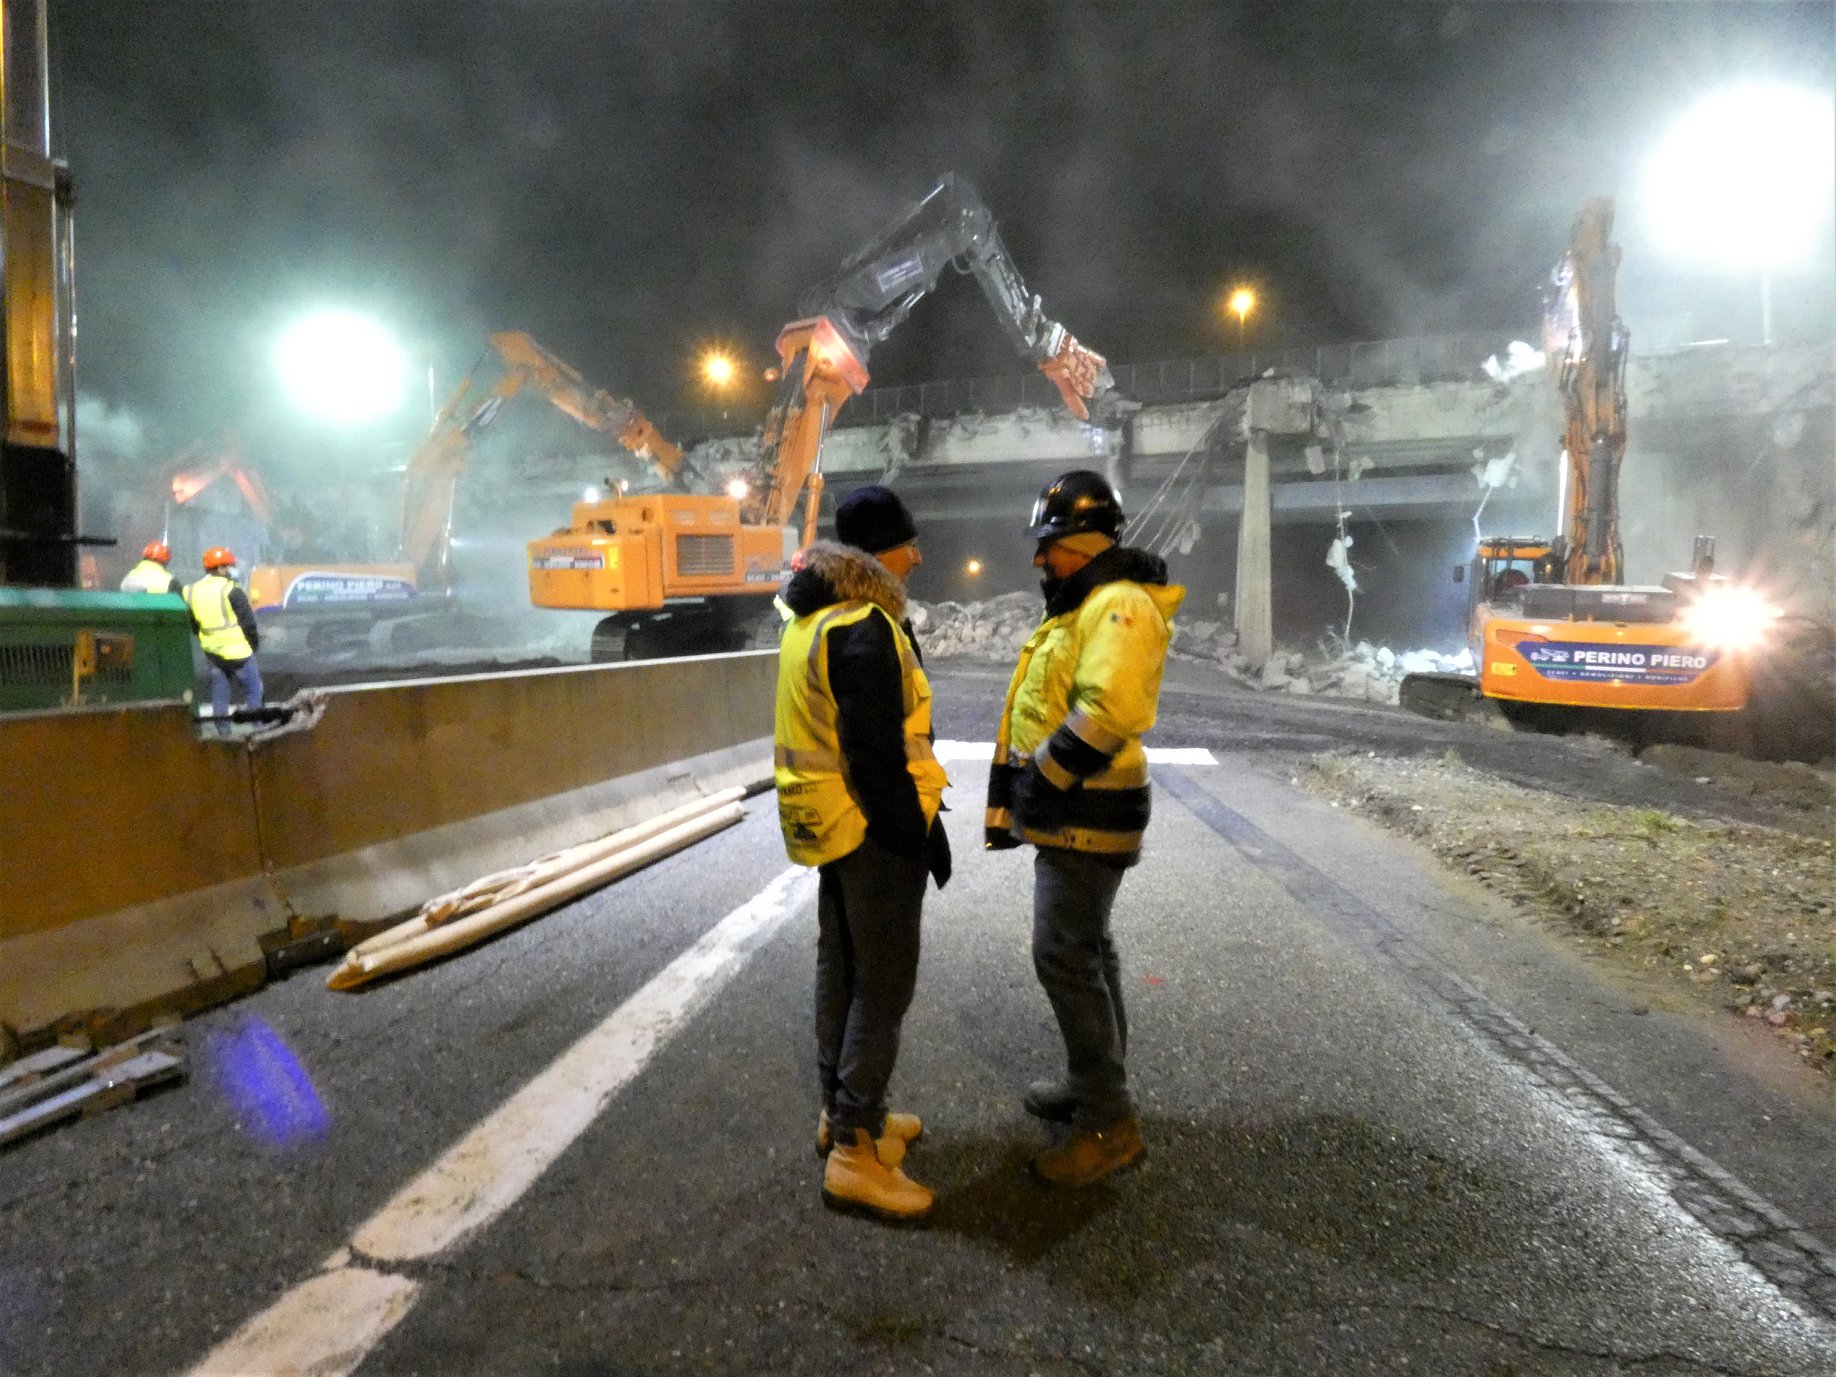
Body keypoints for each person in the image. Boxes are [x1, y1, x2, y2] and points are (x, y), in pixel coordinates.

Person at [984, 470, 1183, 1187]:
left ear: (1082, 541)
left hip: (1087, 810)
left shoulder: (1117, 604)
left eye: (1049, 546)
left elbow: (1108, 708)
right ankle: (1094, 1084)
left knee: (1064, 956)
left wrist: (1043, 779)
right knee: (1088, 950)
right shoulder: (1095, 601)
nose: (1041, 561)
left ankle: (1107, 1121)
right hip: (1082, 810)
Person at [775, 483, 951, 1222]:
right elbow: (876, 752)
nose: (917, 553)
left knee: (841, 970)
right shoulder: (865, 625)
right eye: (908, 540)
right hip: (872, 827)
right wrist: (912, 835)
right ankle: (854, 1151)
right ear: (880, 551)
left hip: (830, 825)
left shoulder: (812, 620)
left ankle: (846, 1114)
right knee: (882, 984)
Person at [184, 546, 264, 728]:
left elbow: (193, 623)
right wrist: (254, 644)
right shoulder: (232, 590)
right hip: (239, 651)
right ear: (220, 568)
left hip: (213, 652)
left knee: (220, 693)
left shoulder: (191, 591)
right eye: (228, 566)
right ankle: (258, 729)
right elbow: (248, 622)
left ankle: (222, 733)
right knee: (253, 690)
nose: (230, 570)